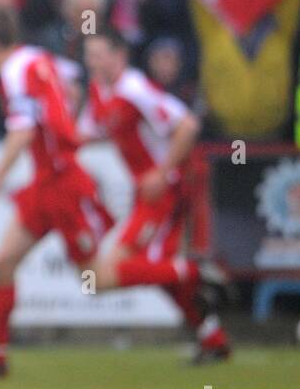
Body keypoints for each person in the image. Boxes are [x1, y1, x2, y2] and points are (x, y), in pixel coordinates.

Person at [0, 8, 220, 377]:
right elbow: (65, 86)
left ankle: (188, 273)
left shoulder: (15, 71)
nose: (91, 62)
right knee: (4, 261)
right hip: (45, 183)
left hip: (68, 185)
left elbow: (23, 131)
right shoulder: (38, 58)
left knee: (97, 279)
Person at [78, 31, 230, 363]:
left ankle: (194, 270)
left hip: (167, 192)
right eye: (88, 55)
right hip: (147, 195)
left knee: (107, 276)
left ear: (119, 56)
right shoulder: (99, 91)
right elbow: (84, 135)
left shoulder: (135, 89)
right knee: (157, 272)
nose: (92, 61)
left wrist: (162, 172)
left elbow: (188, 125)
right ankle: (212, 336)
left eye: (98, 53)